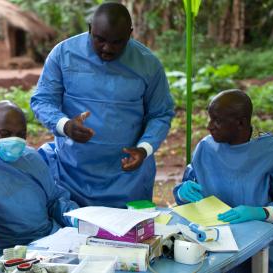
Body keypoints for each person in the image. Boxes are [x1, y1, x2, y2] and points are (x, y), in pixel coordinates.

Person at [30, 2, 174, 208]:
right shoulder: (63, 55)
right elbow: (42, 100)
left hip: (128, 176)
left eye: (117, 42)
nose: (107, 48)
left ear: (130, 34)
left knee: (128, 236)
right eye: (100, 40)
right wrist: (65, 125)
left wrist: (144, 149)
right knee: (71, 235)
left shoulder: (148, 64)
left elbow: (160, 114)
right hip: (72, 173)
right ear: (90, 29)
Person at [0, 101, 79, 264]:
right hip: (9, 256)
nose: (15, 141)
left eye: (21, 134)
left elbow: (54, 200)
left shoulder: (31, 158)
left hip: (54, 243)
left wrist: (74, 216)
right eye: (5, 133)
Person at [173, 89, 273, 273]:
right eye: (209, 118)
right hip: (210, 243)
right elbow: (186, 193)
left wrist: (262, 212)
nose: (209, 126)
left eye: (217, 121)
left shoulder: (272, 151)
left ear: (241, 122)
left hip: (261, 247)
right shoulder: (205, 148)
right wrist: (182, 191)